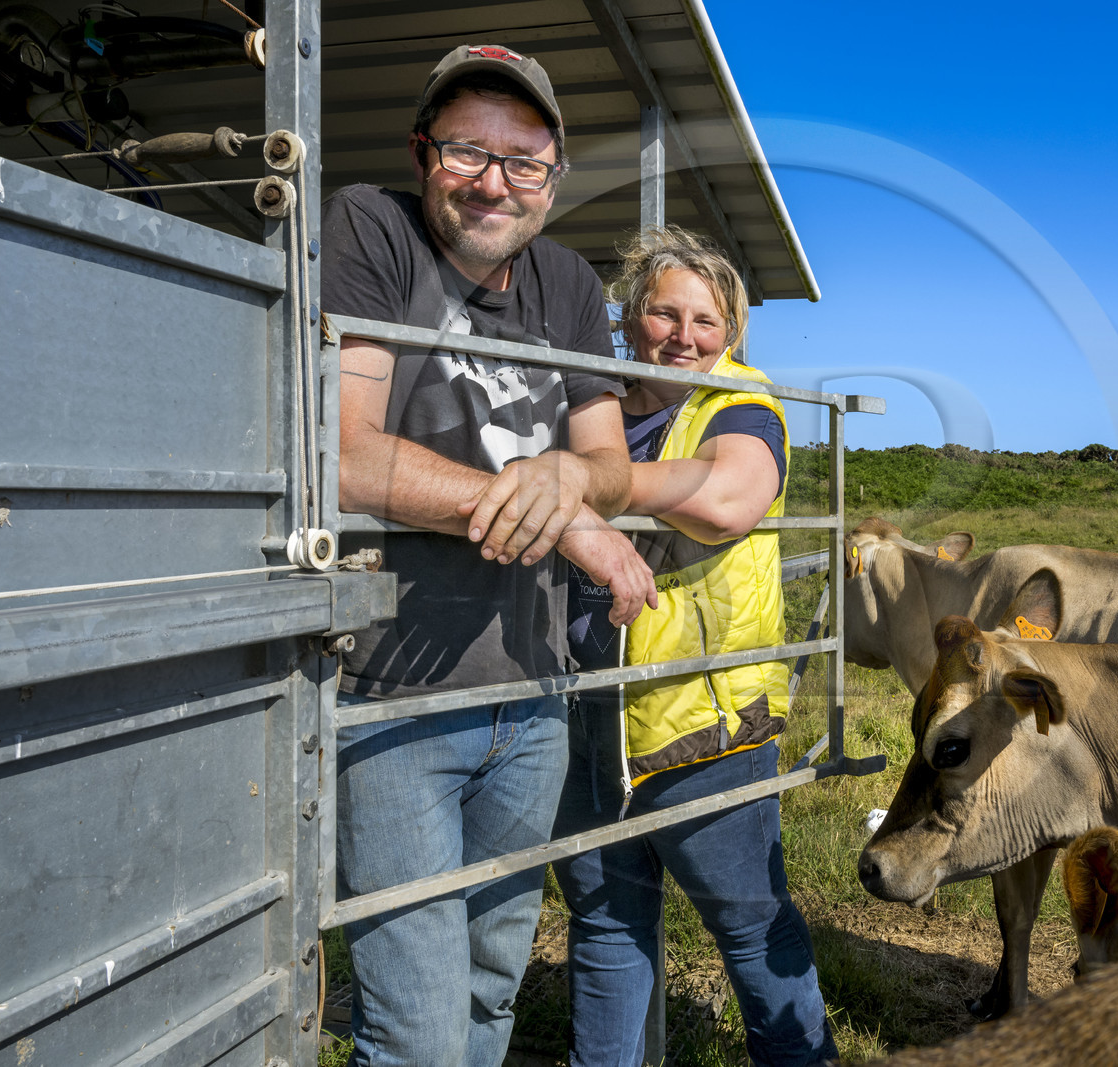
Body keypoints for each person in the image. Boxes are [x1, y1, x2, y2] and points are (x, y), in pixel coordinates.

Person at [324, 44, 654, 1067]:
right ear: (426, 152)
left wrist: (573, 486)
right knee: (415, 1032)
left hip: (535, 696)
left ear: (552, 178)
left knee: (486, 989)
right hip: (394, 697)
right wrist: (553, 510)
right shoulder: (373, 229)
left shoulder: (565, 279)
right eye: (470, 149)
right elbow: (343, 454)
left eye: (525, 161)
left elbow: (607, 463)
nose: (495, 181)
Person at [554, 226, 838, 1067]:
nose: (683, 336)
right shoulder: (588, 404)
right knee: (605, 923)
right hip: (586, 714)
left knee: (749, 925)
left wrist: (582, 484)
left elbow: (724, 501)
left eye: (706, 322)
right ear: (628, 316)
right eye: (664, 313)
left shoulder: (738, 404)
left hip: (699, 717)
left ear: (732, 333)